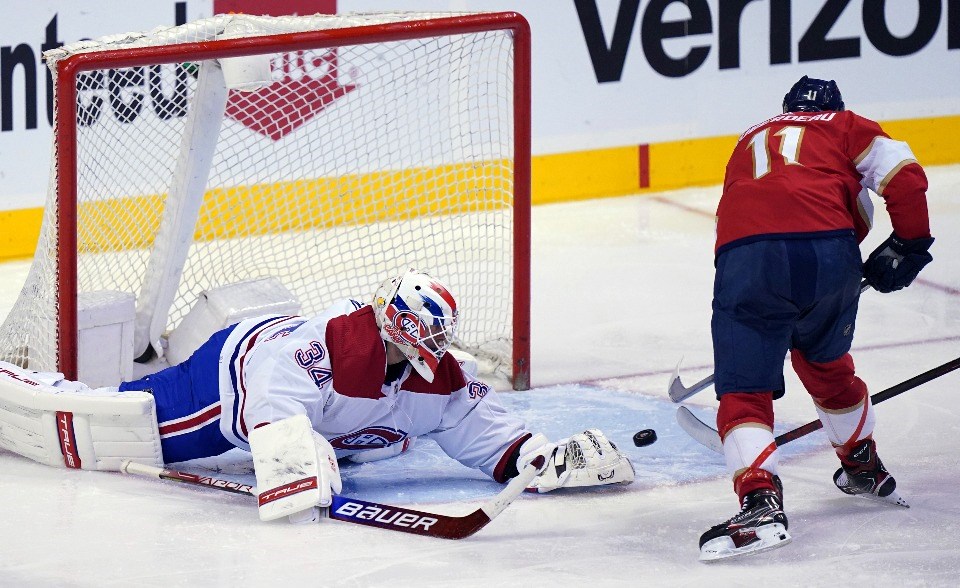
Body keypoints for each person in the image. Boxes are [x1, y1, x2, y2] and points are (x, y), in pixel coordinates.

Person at [0, 268, 634, 523]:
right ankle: (28, 389)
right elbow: (266, 384)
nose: (440, 343)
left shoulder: (434, 378)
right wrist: (294, 449)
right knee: (114, 425)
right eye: (429, 330)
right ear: (401, 325)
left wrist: (537, 457)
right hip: (228, 373)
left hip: (276, 378)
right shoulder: (323, 351)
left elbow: (480, 427)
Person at [698, 76, 934, 561]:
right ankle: (862, 464)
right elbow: (902, 179)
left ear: (785, 108)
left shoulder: (749, 138)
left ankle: (761, 498)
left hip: (749, 257)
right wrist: (909, 243)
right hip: (830, 253)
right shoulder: (847, 126)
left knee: (745, 390)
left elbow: (741, 210)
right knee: (826, 364)